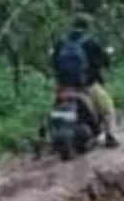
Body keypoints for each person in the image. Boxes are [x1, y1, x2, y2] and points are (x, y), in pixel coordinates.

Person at [50, 13, 119, 148]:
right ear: (87, 27)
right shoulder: (90, 42)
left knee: (54, 108)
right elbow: (103, 61)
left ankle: (51, 136)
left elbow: (52, 62)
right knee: (108, 107)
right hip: (86, 86)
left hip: (63, 87)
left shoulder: (61, 41)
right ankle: (110, 136)